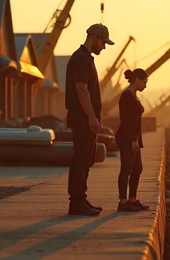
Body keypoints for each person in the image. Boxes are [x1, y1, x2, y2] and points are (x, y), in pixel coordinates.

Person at [65, 23, 114, 216]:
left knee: (86, 159)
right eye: (103, 42)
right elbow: (81, 89)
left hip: (86, 118)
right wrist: (92, 118)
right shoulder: (81, 59)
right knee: (81, 159)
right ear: (94, 38)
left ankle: (81, 199)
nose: (104, 47)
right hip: (82, 118)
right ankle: (76, 203)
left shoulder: (86, 59)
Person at [115, 69, 150, 212]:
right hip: (127, 138)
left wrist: (137, 139)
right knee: (126, 169)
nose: (145, 86)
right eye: (144, 82)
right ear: (137, 80)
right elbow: (127, 120)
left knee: (137, 169)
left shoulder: (134, 96)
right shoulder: (127, 96)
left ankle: (132, 200)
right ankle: (123, 203)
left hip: (135, 139)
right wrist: (132, 140)